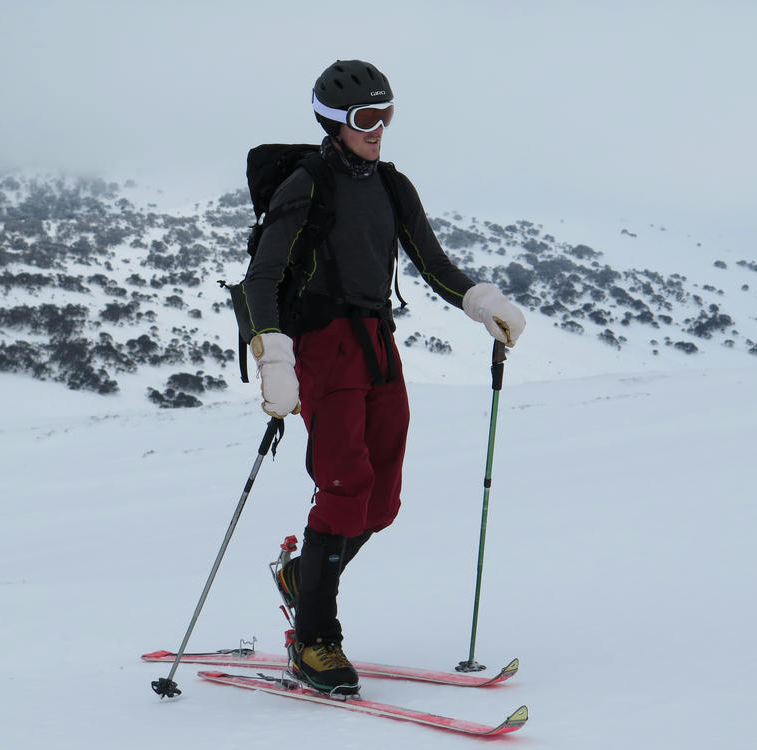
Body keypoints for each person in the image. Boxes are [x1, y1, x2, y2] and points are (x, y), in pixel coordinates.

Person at [244, 59, 526, 695]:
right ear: (334, 122)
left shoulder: (393, 185)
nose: (378, 130)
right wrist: (276, 357)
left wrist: (482, 302)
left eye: (386, 115)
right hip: (321, 347)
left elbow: (431, 259)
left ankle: (301, 578)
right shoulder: (306, 185)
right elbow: (262, 279)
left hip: (376, 343)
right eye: (366, 119)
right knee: (344, 487)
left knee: (380, 500)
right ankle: (314, 640)